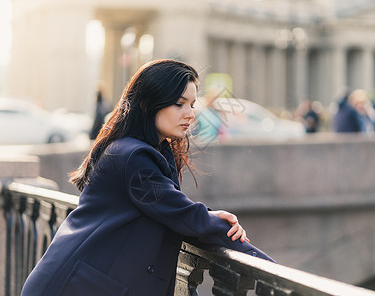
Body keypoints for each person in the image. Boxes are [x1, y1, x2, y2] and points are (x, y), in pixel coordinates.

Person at [21, 59, 275, 296]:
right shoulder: (133, 156)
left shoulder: (144, 149)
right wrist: (269, 268)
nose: (190, 113)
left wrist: (209, 216)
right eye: (179, 103)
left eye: (192, 105)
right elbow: (179, 213)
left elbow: (169, 205)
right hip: (72, 286)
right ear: (147, 103)